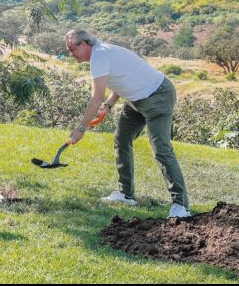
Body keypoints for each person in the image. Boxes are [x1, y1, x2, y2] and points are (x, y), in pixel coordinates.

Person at [65, 29, 191, 218]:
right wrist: (108, 106)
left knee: (161, 148)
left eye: (72, 49)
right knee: (121, 139)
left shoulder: (99, 55)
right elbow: (121, 79)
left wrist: (81, 128)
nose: (70, 54)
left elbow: (95, 97)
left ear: (84, 44)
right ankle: (126, 194)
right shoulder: (103, 52)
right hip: (136, 99)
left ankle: (181, 206)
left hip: (157, 95)